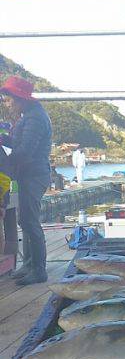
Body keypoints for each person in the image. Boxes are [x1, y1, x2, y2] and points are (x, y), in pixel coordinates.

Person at [0, 76, 52, 285]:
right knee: (26, 220)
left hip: (34, 175)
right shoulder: (29, 116)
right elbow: (19, 142)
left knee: (30, 221)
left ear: (20, 98)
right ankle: (30, 263)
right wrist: (3, 138)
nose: (6, 102)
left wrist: (4, 166)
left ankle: (39, 269)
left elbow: (25, 151)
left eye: (8, 98)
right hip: (30, 174)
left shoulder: (35, 118)